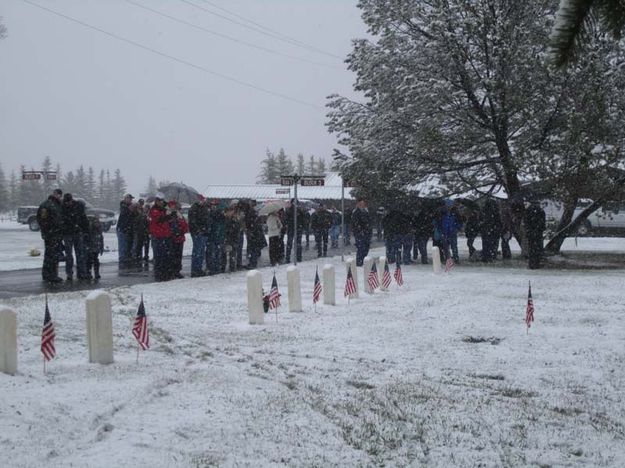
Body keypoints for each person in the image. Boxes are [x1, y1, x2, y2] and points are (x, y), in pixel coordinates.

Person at [37, 188, 64, 284]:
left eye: (59, 195)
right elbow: (42, 220)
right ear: (55, 194)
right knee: (51, 255)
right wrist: (49, 231)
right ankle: (51, 275)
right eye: (57, 194)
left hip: (56, 234)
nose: (58, 196)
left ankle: (50, 274)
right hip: (51, 235)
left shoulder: (57, 205)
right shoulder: (47, 205)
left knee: (52, 255)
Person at [61, 193, 90, 280]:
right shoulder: (63, 207)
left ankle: (81, 272)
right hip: (68, 233)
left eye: (68, 202)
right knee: (69, 254)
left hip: (77, 232)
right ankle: (69, 273)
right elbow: (61, 220)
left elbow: (83, 218)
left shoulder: (78, 206)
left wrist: (85, 230)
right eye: (66, 202)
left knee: (80, 253)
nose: (67, 204)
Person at [149, 196, 172, 281]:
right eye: (159, 201)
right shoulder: (154, 210)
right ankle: (158, 274)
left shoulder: (163, 210)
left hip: (165, 235)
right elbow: (158, 220)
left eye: (162, 201)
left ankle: (164, 273)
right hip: (157, 235)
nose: (161, 202)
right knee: (158, 256)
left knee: (165, 256)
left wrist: (169, 215)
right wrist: (167, 215)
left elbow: (166, 220)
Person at [188, 195, 209, 277]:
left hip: (203, 232)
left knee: (201, 252)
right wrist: (198, 230)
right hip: (197, 233)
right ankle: (195, 270)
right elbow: (192, 221)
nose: (202, 201)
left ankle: (198, 268)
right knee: (197, 251)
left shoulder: (204, 208)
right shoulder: (194, 208)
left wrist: (206, 229)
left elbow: (206, 220)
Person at [168, 200, 189, 279]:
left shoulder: (180, 216)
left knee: (178, 256)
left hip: (179, 238)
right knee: (173, 255)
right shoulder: (170, 215)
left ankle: (177, 270)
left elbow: (185, 226)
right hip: (172, 238)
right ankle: (172, 271)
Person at [351, 198, 372, 266]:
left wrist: (369, 231)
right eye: (361, 204)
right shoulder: (356, 212)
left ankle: (364, 260)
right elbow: (355, 223)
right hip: (360, 233)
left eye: (363, 204)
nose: (362, 205)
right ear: (358, 204)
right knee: (361, 248)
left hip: (367, 233)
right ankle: (359, 262)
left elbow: (369, 221)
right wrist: (360, 230)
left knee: (366, 247)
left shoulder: (366, 212)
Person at [206, 200, 226, 275]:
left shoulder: (219, 215)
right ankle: (211, 267)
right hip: (212, 236)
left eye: (215, 205)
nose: (214, 206)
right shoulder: (210, 214)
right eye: (213, 205)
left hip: (217, 236)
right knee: (211, 252)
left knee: (217, 252)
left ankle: (216, 267)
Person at [525, 201, 546, 269]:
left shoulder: (528, 210)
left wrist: (528, 230)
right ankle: (536, 263)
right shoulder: (541, 211)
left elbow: (526, 222)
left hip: (531, 233)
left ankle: (531, 263)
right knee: (537, 248)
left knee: (531, 248)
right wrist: (540, 229)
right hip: (538, 233)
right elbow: (543, 223)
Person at [116, 193, 135, 269]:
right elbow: (125, 213)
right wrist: (129, 210)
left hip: (128, 230)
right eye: (129, 198)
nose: (130, 200)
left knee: (127, 245)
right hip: (122, 229)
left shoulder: (129, 208)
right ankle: (122, 259)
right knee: (122, 245)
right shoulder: (124, 206)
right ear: (125, 199)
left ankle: (126, 258)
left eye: (131, 199)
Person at [86, 215, 104, 280]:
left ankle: (96, 273)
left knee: (95, 260)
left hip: (96, 248)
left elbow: (101, 240)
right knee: (89, 261)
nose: (97, 224)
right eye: (95, 223)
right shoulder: (90, 231)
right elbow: (88, 240)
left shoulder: (99, 231)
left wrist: (101, 248)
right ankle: (89, 273)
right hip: (91, 248)